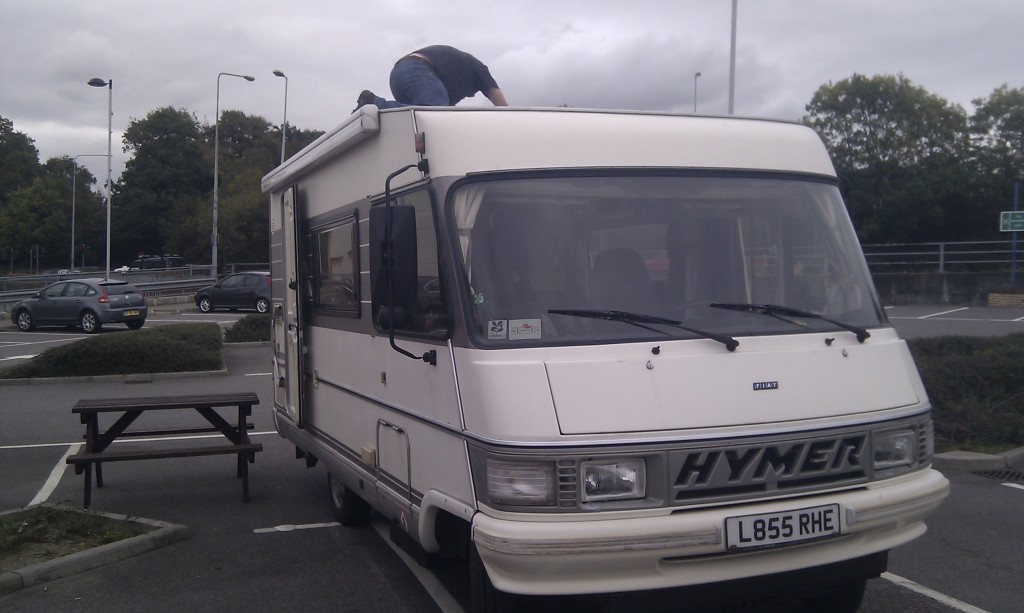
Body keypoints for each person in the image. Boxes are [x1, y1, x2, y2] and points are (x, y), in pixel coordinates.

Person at [354, 45, 508, 112]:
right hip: (417, 68)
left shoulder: (448, 83)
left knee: (420, 118)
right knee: (435, 112)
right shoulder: (479, 69)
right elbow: (504, 108)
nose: (470, 95)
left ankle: (371, 110)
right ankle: (374, 103)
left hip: (398, 76)